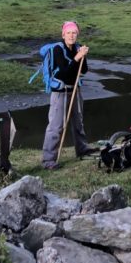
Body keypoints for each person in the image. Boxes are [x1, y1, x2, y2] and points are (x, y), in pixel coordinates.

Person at [42, 21, 99, 169]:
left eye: (74, 32)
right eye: (68, 32)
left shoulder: (77, 48)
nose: (71, 35)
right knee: (56, 126)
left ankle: (82, 149)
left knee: (78, 121)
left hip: (75, 89)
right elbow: (64, 74)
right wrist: (77, 58)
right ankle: (48, 161)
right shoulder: (57, 50)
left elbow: (84, 70)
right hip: (60, 92)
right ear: (63, 34)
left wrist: (82, 56)